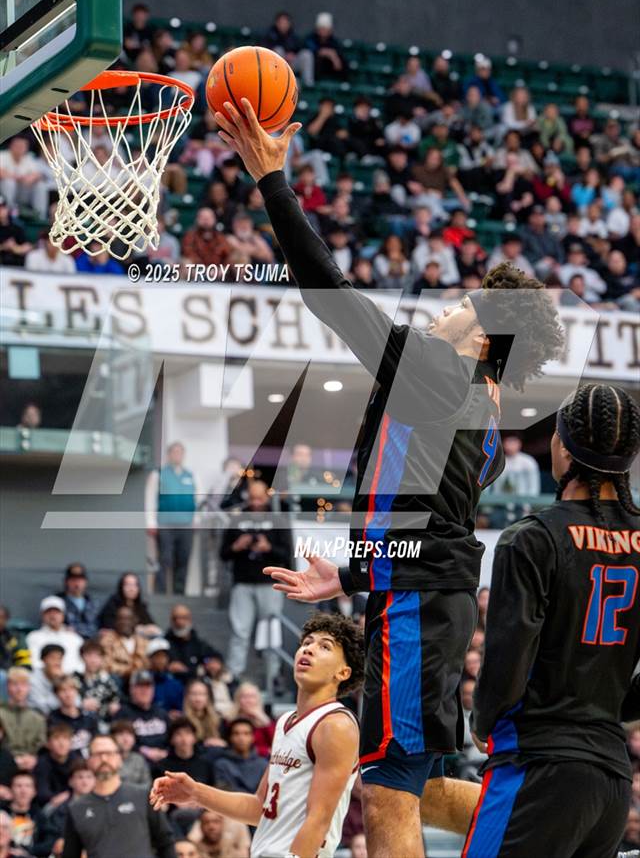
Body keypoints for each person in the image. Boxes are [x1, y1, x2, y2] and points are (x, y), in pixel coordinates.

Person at [212, 97, 564, 858]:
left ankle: (558, 822)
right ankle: (556, 828)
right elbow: (425, 523)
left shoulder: (442, 373)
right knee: (423, 785)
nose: (443, 308)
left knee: (388, 795)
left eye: (460, 303)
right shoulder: (482, 409)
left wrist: (274, 181)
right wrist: (347, 577)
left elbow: (327, 293)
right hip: (419, 599)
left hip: (417, 611)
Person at [463, 385, 640, 857]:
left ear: (561, 447)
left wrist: (483, 718)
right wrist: (611, 706)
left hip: (537, 764)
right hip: (611, 782)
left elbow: (508, 652)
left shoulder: (533, 538)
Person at [151, 613, 363, 858]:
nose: (309, 649)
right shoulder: (286, 721)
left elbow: (319, 818)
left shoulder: (335, 725)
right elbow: (259, 807)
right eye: (307, 643)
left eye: (324, 646)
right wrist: (196, 793)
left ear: (343, 673)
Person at [219, 480, 292, 686]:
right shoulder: (237, 520)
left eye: (259, 498)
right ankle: (234, 674)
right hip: (242, 582)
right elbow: (223, 554)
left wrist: (268, 548)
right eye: (252, 498)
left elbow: (287, 555)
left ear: (267, 497)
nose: (256, 502)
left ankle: (273, 674)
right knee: (239, 630)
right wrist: (237, 546)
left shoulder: (277, 520)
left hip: (269, 583)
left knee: (270, 629)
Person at [61, 733, 174, 858]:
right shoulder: (76, 808)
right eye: (98, 754)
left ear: (119, 758)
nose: (104, 759)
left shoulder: (143, 795)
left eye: (109, 753)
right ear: (89, 761)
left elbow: (165, 842)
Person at [146, 442, 200, 595]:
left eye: (180, 452)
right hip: (165, 524)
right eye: (174, 452)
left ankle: (179, 593)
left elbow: (198, 500)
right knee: (165, 559)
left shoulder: (191, 475)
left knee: (183, 559)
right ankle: (161, 592)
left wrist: (196, 520)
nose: (177, 455)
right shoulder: (158, 474)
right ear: (168, 454)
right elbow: (150, 499)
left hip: (186, 525)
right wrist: (151, 522)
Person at [118, 671, 170, 765]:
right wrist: (145, 751)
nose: (144, 690)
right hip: (135, 763)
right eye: (140, 686)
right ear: (131, 689)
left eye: (148, 686)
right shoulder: (123, 714)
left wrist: (165, 752)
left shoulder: (161, 713)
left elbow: (172, 738)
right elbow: (118, 741)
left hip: (164, 761)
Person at [0, 669, 46, 772]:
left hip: (31, 765)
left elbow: (41, 745)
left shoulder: (38, 718)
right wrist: (11, 759)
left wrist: (33, 758)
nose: (19, 689)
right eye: (15, 684)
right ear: (7, 686)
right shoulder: (1, 713)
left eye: (23, 685)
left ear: (29, 687)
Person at [26, 597, 83, 673]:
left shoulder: (75, 639)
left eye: (56, 612)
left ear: (63, 615)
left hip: (71, 679)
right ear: (42, 615)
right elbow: (34, 662)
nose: (52, 615)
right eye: (48, 612)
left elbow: (81, 665)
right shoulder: (33, 637)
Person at [32, 723, 78, 808]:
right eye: (56, 738)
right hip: (50, 804)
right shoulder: (42, 763)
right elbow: (42, 791)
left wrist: (68, 795)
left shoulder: (77, 762)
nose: (61, 743)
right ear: (48, 744)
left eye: (65, 738)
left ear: (71, 743)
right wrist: (56, 799)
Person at [47, 676, 97, 753]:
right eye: (63, 690)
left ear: (76, 691)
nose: (68, 694)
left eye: (71, 689)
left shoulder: (89, 717)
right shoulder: (52, 719)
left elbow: (96, 742)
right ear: (56, 695)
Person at [75, 640, 121, 723]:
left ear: (102, 658)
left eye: (97, 656)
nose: (93, 660)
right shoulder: (74, 679)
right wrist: (80, 704)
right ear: (82, 657)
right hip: (80, 723)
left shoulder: (109, 680)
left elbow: (116, 701)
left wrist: (112, 707)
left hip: (105, 722)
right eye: (89, 655)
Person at [166, 606, 215, 683]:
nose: (179, 622)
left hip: (194, 685)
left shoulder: (199, 644)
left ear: (190, 620)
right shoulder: (164, 644)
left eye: (183, 618)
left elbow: (212, 658)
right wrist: (166, 667)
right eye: (175, 618)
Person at [227, 683, 275, 759]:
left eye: (252, 697)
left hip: (263, 760)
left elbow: (276, 743)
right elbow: (229, 746)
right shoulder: (230, 719)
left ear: (258, 700)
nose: (248, 700)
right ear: (238, 700)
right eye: (244, 697)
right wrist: (264, 750)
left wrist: (263, 718)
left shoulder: (267, 720)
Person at [57, 563, 100, 640]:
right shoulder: (58, 602)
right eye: (73, 580)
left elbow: (96, 627)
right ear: (66, 582)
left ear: (85, 582)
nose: (77, 583)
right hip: (67, 641)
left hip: (90, 644)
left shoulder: (93, 603)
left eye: (80, 580)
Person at [183, 680, 225, 749]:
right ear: (187, 697)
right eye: (194, 694)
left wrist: (221, 743)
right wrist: (205, 743)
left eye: (202, 694)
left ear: (208, 697)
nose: (198, 699)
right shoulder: (183, 721)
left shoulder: (218, 720)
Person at [146, 638, 184, 714]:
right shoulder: (142, 682)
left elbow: (180, 708)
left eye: (164, 656)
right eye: (157, 656)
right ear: (150, 659)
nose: (161, 660)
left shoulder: (176, 684)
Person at [110, 721, 151, 789]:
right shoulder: (107, 759)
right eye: (120, 734)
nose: (126, 739)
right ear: (112, 737)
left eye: (130, 734)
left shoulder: (139, 759)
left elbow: (147, 786)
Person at [28, 644, 65, 716]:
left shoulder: (63, 677)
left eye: (59, 658)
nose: (57, 663)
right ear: (43, 660)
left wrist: (59, 681)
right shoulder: (32, 678)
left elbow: (76, 702)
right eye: (52, 658)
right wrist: (62, 703)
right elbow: (41, 707)